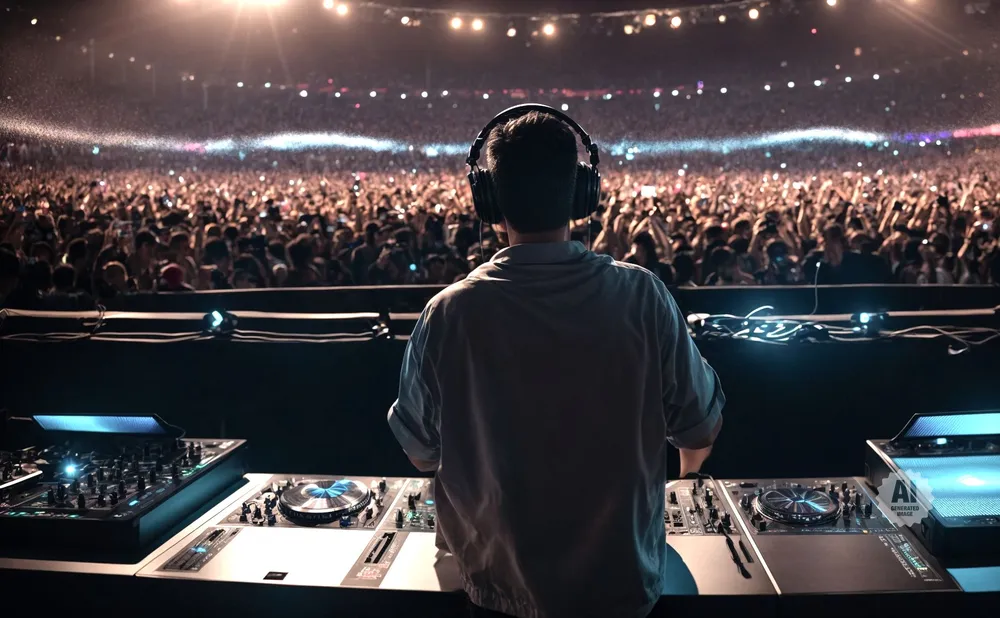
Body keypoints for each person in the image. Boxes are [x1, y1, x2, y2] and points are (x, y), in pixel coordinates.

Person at [387, 110, 724, 618]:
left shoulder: (449, 313)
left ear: (489, 201)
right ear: (583, 194)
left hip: (495, 593)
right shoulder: (643, 297)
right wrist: (682, 480)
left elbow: (419, 453)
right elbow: (700, 429)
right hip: (624, 592)